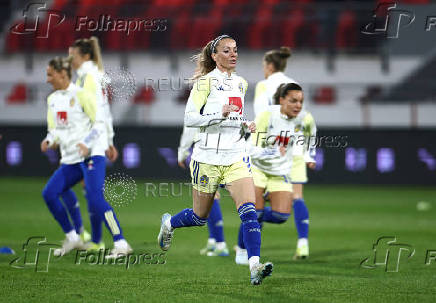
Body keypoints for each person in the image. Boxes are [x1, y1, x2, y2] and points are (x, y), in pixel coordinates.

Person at [158, 35, 273, 285]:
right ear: (214, 55)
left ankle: (254, 265)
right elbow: (190, 118)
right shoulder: (204, 84)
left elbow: (233, 117)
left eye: (235, 50)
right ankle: (169, 223)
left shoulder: (241, 84)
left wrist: (245, 124)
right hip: (207, 158)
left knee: (249, 212)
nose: (234, 54)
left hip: (235, 157)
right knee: (200, 216)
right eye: (227, 50)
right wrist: (217, 114)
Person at [246, 47, 315, 261]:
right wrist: (308, 154)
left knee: (256, 208)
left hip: (269, 147)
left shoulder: (263, 86)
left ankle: (243, 246)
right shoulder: (293, 85)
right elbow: (303, 119)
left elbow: (261, 116)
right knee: (298, 196)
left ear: (268, 66)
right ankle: (303, 243)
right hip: (293, 147)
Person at [69, 37, 131, 258]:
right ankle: (96, 241)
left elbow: (96, 114)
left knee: (94, 196)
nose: (70, 59)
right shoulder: (92, 76)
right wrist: (110, 139)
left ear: (85, 56)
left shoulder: (88, 78)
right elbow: (105, 110)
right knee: (90, 193)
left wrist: (102, 141)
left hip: (92, 145)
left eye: (72, 55)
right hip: (95, 142)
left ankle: (120, 241)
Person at [41, 56, 99, 256]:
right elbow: (54, 130)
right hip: (68, 160)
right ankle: (75, 237)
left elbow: (98, 124)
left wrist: (87, 144)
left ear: (62, 74)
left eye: (50, 75)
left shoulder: (82, 95)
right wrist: (49, 141)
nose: (47, 79)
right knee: (50, 194)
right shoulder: (52, 99)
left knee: (95, 199)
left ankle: (112, 240)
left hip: (86, 159)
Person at [178, 126, 229, 257]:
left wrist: (182, 152)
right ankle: (213, 240)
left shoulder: (200, 105)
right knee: (212, 194)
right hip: (226, 149)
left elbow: (190, 126)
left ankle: (220, 244)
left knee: (210, 195)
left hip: (208, 152)